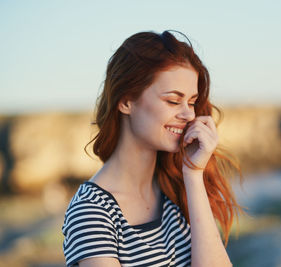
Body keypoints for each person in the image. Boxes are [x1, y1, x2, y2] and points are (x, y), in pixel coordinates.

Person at [62, 30, 242, 267]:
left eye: (191, 102)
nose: (189, 114)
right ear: (126, 101)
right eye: (173, 101)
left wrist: (193, 174)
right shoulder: (91, 213)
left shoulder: (175, 188)